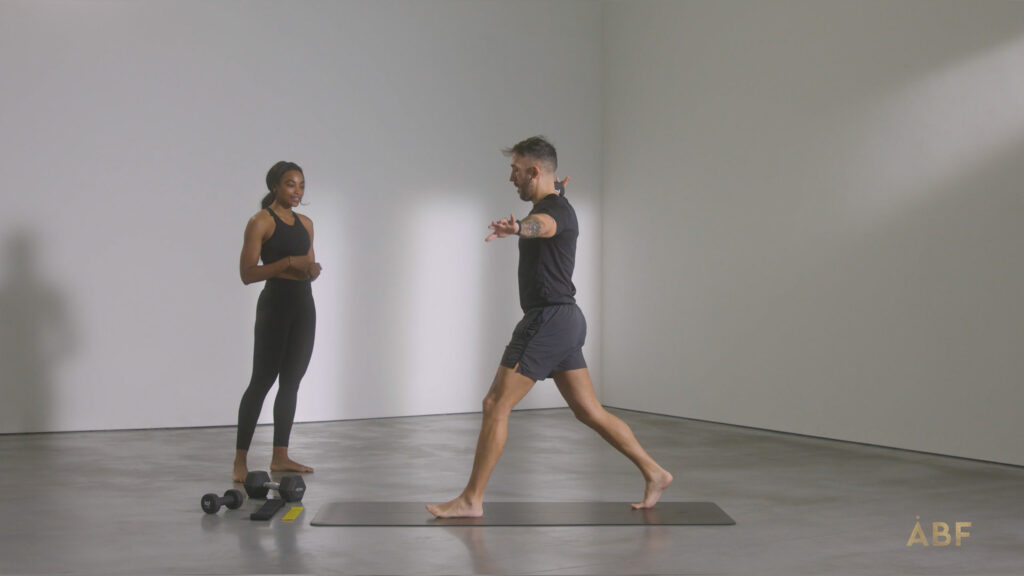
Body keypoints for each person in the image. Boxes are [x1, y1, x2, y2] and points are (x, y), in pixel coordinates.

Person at [427, 137, 673, 518]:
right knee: (590, 412)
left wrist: (518, 229)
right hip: (566, 320)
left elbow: (542, 226)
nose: (511, 177)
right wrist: (554, 192)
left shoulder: (554, 212)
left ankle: (471, 499)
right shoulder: (556, 201)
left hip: (548, 320)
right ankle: (654, 471)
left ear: (534, 171)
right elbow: (548, 211)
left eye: (516, 169)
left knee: (495, 404)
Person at [233, 161, 322, 482]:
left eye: (301, 185)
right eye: (290, 184)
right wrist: (286, 262)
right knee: (261, 382)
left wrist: (312, 269)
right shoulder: (260, 222)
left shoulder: (307, 223)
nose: (297, 191)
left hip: (303, 307)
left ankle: (280, 456)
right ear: (275, 186)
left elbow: (308, 264)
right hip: (275, 308)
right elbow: (247, 274)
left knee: (292, 382)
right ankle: (240, 461)